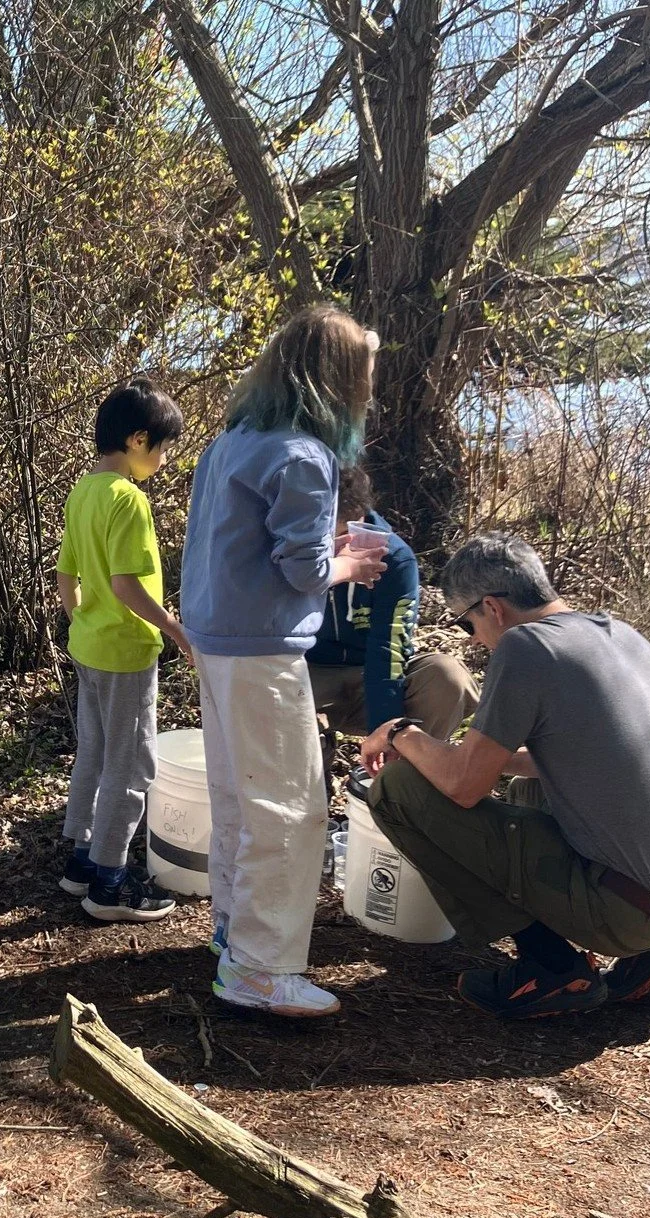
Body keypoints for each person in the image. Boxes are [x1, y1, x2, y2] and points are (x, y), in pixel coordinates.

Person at [362, 532, 650, 1019]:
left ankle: (550, 968)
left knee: (397, 791)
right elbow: (586, 760)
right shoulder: (623, 637)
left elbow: (465, 789)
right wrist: (483, 756)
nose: (473, 639)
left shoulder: (527, 647)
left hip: (623, 912)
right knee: (528, 785)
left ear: (492, 607)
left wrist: (400, 732)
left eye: (467, 624)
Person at [180, 306, 388, 1018]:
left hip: (215, 639)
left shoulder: (232, 439)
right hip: (261, 648)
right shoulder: (302, 454)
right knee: (290, 809)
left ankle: (235, 933)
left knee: (239, 797)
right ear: (337, 378)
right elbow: (301, 571)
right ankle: (261, 969)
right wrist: (349, 560)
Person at [55, 378, 191, 923]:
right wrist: (177, 631)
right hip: (127, 650)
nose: (162, 458)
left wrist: (81, 622)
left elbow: (67, 575)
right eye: (161, 446)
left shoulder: (83, 491)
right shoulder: (128, 499)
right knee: (132, 765)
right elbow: (126, 586)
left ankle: (82, 861)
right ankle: (110, 882)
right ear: (137, 440)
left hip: (88, 645)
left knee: (95, 750)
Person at [308, 467, 478, 741]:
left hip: (369, 675)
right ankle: (310, 774)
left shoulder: (394, 557)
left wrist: (385, 733)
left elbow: (389, 649)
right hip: (307, 674)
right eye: (326, 537)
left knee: (446, 678)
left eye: (344, 536)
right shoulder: (294, 549)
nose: (337, 547)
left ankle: (406, 775)